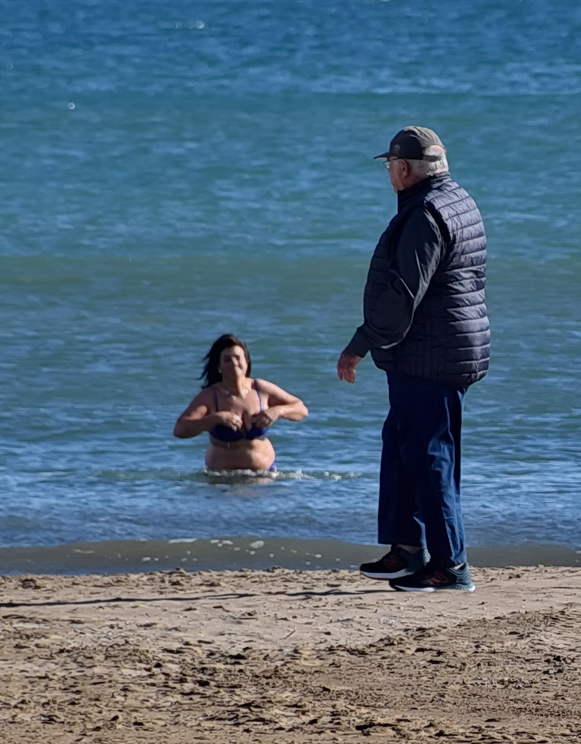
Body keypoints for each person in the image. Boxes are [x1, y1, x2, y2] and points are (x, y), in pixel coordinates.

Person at [337, 126, 490, 593]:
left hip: (431, 355)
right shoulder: (456, 198)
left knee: (429, 456)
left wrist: (360, 343)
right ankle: (407, 548)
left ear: (403, 169)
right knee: (403, 443)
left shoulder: (425, 214)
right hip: (437, 350)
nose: (389, 173)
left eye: (389, 166)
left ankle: (451, 565)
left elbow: (405, 293)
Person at [172, 334, 308, 472]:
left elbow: (301, 409)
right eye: (227, 360)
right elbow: (180, 429)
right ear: (219, 367)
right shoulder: (210, 396)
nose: (234, 363)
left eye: (238, 358)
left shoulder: (261, 389)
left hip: (264, 478)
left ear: (247, 362)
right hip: (222, 480)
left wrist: (277, 411)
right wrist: (215, 419)